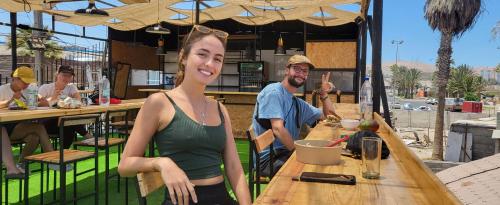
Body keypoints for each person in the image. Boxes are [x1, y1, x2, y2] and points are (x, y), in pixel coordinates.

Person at [118, 25, 251, 205]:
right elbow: (125, 165)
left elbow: (235, 169)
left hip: (222, 198)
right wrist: (161, 162)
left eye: (217, 59)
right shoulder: (159, 103)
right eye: (202, 54)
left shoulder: (219, 108)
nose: (210, 64)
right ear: (184, 58)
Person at [252, 54, 338, 176]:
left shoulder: (297, 103)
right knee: (312, 169)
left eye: (305, 71)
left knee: (323, 162)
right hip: (268, 160)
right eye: (297, 69)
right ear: (287, 70)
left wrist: (324, 95)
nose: (301, 74)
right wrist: (298, 152)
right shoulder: (273, 93)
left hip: (285, 153)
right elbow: (277, 128)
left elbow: (328, 115)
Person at [0, 66, 55, 178]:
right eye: (25, 82)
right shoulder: (3, 90)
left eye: (29, 82)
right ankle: (53, 160)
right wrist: (10, 100)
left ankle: (20, 164)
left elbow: (41, 104)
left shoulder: (28, 91)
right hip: (6, 128)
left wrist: (41, 101)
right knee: (38, 128)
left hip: (19, 126)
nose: (27, 84)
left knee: (34, 138)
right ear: (15, 79)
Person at [38, 65, 93, 149]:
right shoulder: (45, 87)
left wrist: (68, 102)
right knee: (69, 121)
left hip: (63, 123)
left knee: (68, 123)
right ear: (57, 74)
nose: (66, 78)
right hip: (46, 122)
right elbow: (38, 103)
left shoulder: (71, 87)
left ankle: (63, 154)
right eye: (64, 75)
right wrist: (53, 98)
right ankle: (86, 135)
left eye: (69, 76)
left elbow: (78, 101)